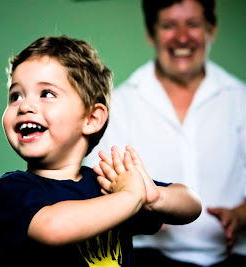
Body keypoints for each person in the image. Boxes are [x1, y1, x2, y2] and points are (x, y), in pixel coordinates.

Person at [0, 35, 202, 267]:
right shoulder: (10, 191)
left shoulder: (108, 184)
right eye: (15, 96)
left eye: (47, 94)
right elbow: (53, 228)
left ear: (91, 119)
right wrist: (130, 197)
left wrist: (154, 197)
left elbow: (191, 205)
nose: (25, 106)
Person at [84, 0, 246, 266]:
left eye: (192, 24)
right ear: (151, 33)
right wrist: (135, 209)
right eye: (169, 25)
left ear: (211, 29)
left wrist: (242, 214)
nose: (182, 37)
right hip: (147, 256)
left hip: (233, 256)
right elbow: (96, 183)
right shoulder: (121, 103)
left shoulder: (241, 99)